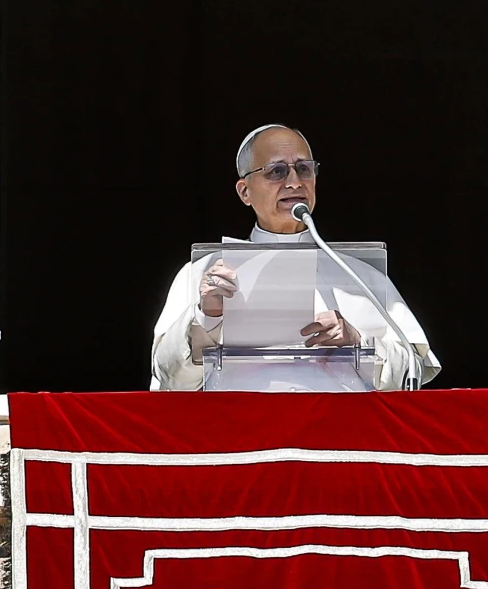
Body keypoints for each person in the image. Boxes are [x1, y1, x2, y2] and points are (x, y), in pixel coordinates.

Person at [150, 124, 440, 391]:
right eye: (276, 171)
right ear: (244, 192)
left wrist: (358, 344)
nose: (294, 182)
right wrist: (207, 316)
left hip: (336, 440)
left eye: (304, 169)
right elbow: (168, 378)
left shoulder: (359, 275)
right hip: (241, 437)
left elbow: (413, 373)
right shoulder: (201, 272)